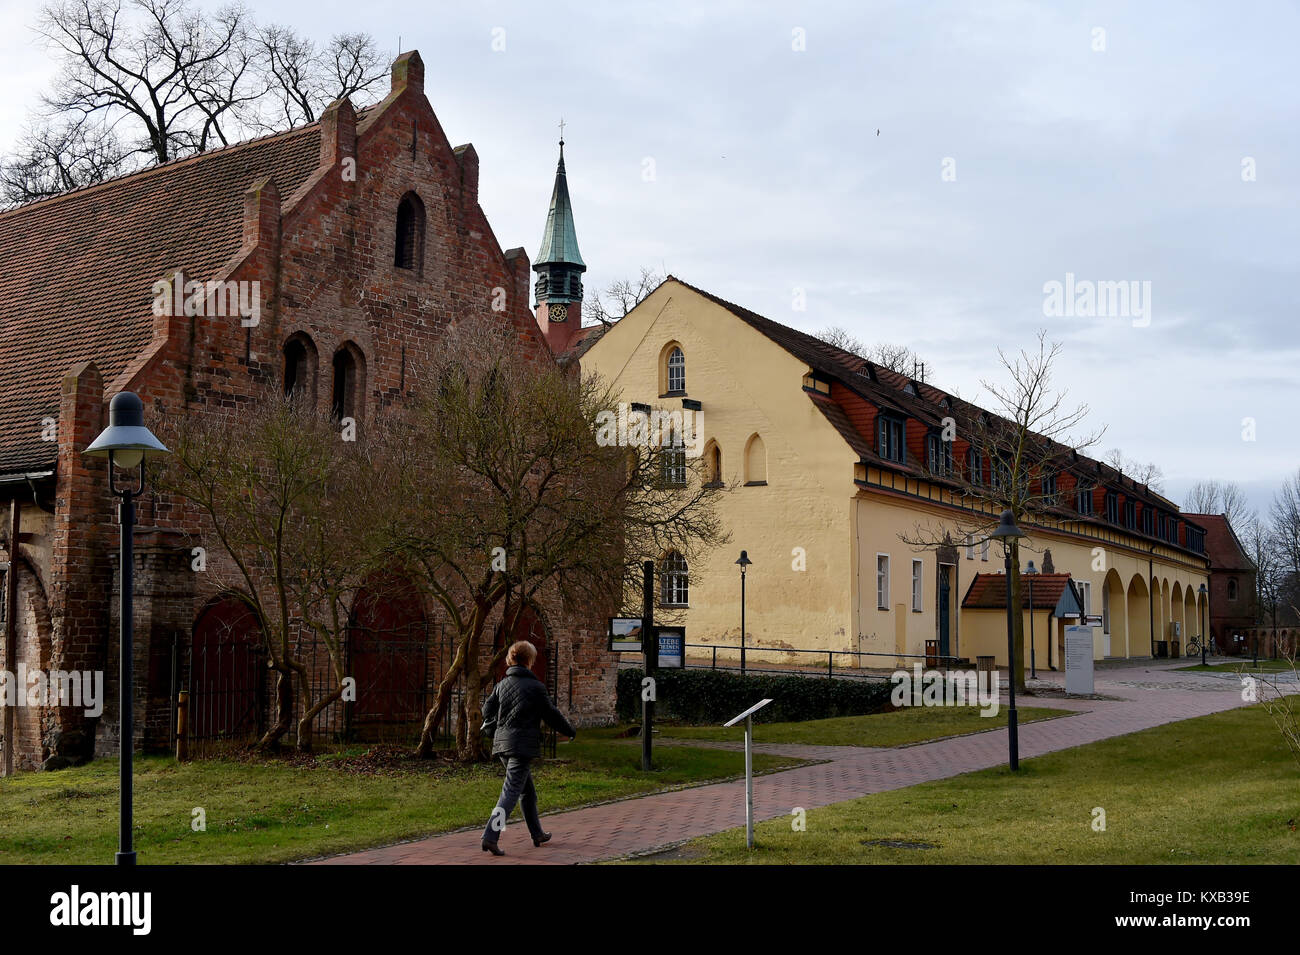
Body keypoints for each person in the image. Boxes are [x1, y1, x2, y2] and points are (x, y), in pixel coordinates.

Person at [479, 640, 576, 856]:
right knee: (511, 792)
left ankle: (537, 834)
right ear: (530, 660)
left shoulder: (501, 685)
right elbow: (552, 715)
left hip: (502, 744)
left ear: (511, 659)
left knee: (527, 792)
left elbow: (486, 710)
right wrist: (569, 731)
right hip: (522, 746)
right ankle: (490, 836)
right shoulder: (535, 687)